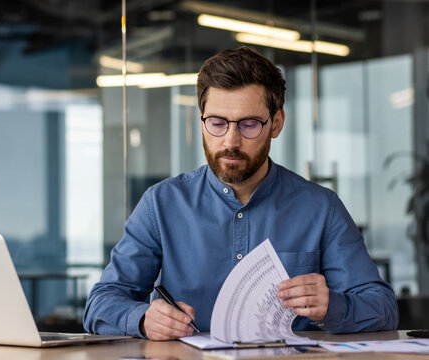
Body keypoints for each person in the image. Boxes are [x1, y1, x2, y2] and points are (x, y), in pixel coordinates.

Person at [83, 46, 399, 340]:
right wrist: (142, 319)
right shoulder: (161, 205)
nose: (230, 141)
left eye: (248, 125)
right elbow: (101, 303)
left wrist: (333, 306)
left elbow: (383, 307)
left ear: (276, 123)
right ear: (201, 119)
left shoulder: (321, 208)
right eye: (217, 123)